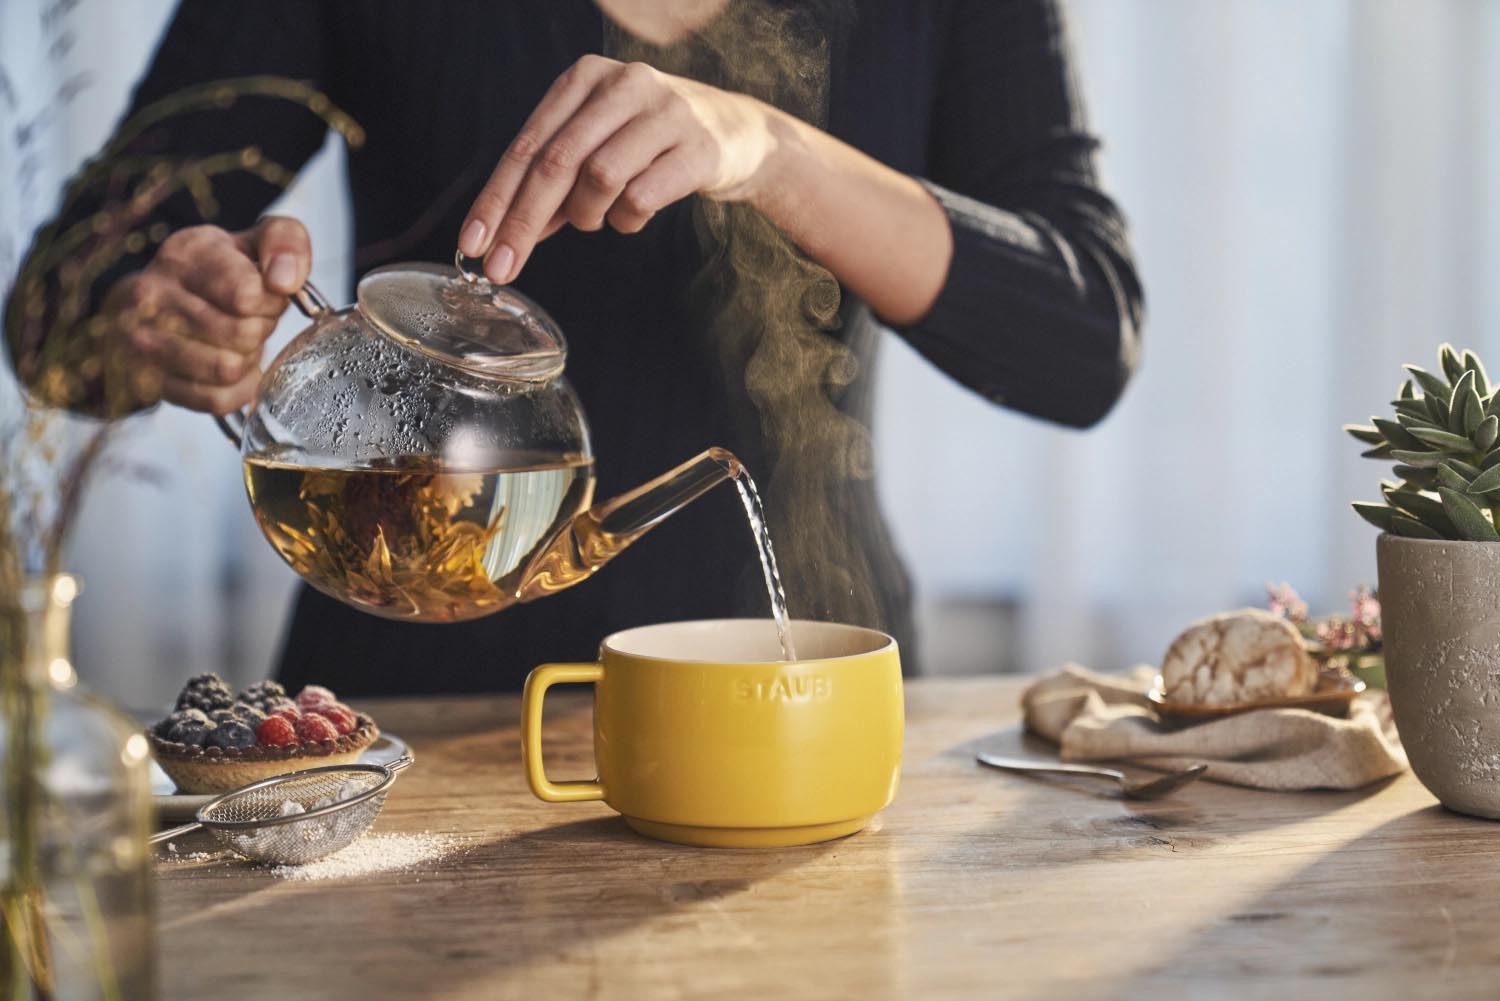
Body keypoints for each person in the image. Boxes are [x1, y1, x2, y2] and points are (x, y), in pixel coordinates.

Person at [5, 0, 1143, 694]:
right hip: (414, 719)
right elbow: (56, 316)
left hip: (792, 700)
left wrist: (770, 149)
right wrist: (169, 320)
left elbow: (1087, 341)